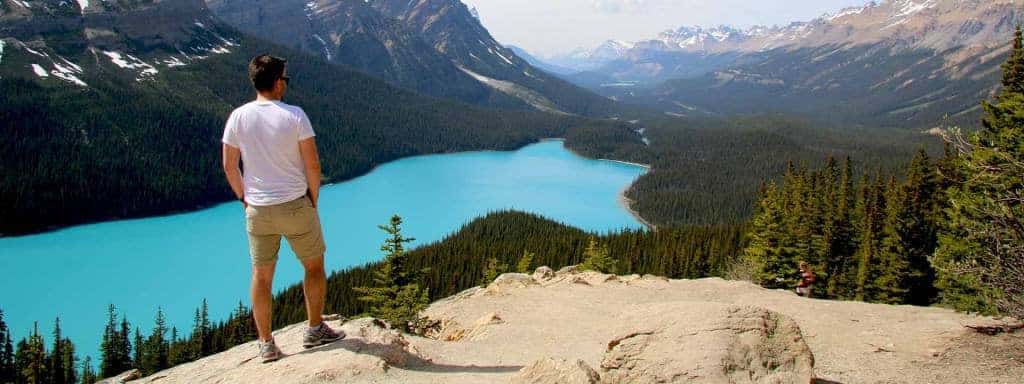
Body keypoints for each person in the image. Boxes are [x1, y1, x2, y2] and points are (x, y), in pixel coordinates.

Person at [222, 54, 344, 363]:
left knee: (261, 277)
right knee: (313, 266)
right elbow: (312, 164)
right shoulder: (295, 115)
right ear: (277, 83)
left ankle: (266, 344)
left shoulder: (238, 116)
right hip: (294, 205)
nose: (286, 85)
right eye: (285, 80)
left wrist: (243, 198)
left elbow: (229, 165)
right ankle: (314, 329)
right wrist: (313, 199)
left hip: (258, 210)